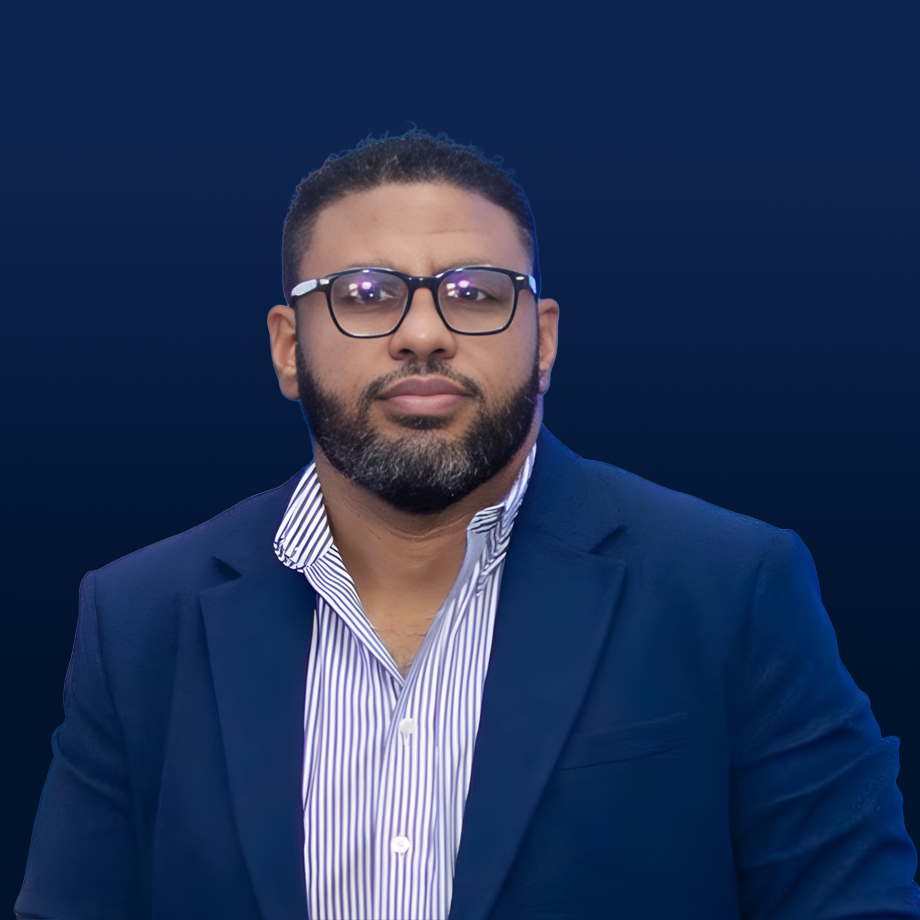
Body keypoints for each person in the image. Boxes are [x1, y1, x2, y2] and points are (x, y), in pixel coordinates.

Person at [16, 130, 920, 920]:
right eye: (365, 293)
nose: (423, 333)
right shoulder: (140, 619)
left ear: (544, 339)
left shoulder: (731, 586)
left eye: (476, 293)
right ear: (289, 347)